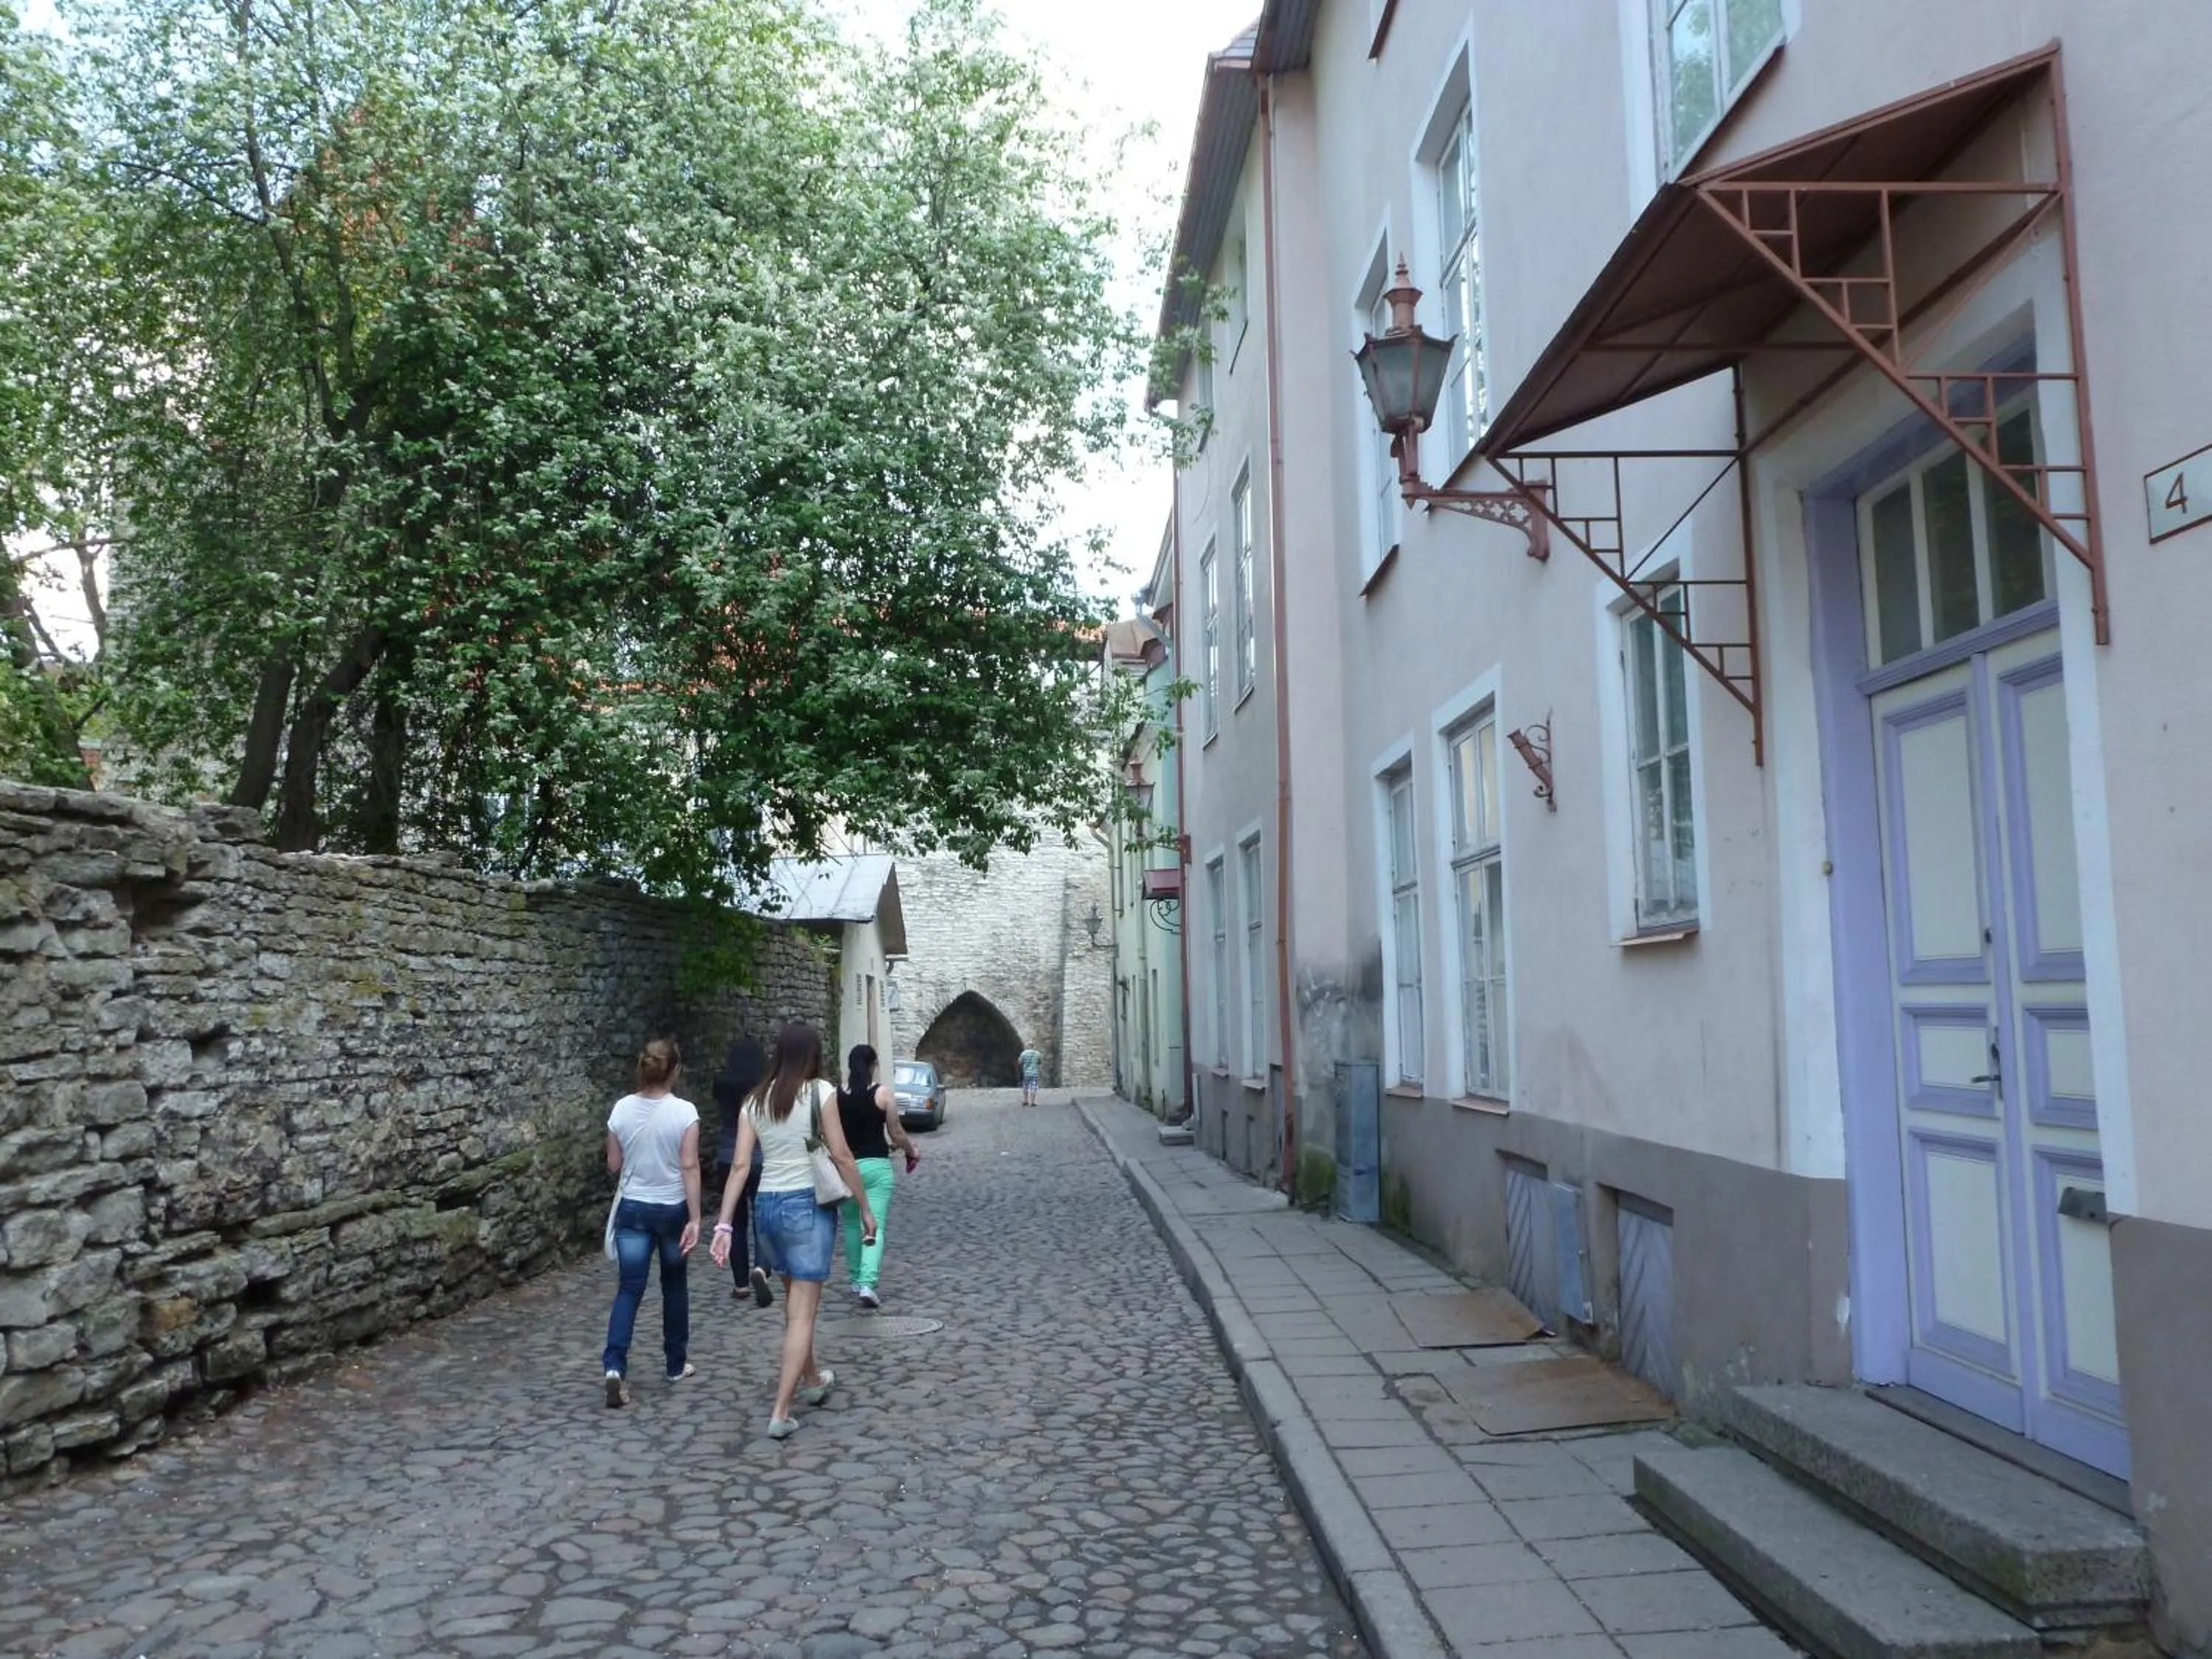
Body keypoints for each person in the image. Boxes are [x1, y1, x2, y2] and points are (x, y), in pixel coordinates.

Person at [712, 1021, 876, 1439]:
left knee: (794, 1305)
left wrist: (726, 1221)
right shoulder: (820, 1093)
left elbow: (741, 1166)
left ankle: (814, 1380)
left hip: (767, 1207)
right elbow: (840, 1154)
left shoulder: (755, 1100)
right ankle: (781, 1411)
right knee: (803, 1314)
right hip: (807, 1205)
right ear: (813, 1055)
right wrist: (865, 1208)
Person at [602, 1037, 700, 1408]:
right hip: (672, 1208)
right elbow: (689, 1166)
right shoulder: (686, 1113)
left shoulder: (621, 1110)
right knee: (674, 1286)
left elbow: (614, 1164)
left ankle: (614, 1365)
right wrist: (695, 1217)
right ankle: (675, 1364)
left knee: (629, 1288)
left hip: (633, 1210)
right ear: (675, 1070)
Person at [837, 1045, 919, 1309]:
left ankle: (854, 1277)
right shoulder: (882, 1094)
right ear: (873, 1065)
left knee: (851, 1224)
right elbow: (895, 1133)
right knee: (875, 1224)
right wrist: (911, 1149)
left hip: (847, 1168)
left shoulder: (837, 1095)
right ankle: (868, 1283)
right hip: (876, 1167)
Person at [710, 1036, 772, 1306]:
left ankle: (741, 1283)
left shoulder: (721, 1084)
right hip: (761, 1158)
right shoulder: (766, 1088)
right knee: (763, 1218)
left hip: (728, 1156)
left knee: (735, 1221)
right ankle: (761, 1268)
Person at [1018, 1043, 1043, 1107]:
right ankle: (1032, 1102)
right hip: (1034, 1073)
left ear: (1027, 1047)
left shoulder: (1024, 1053)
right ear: (1033, 1047)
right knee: (1033, 1088)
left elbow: (1020, 1062)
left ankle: (1026, 1101)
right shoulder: (1037, 1053)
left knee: (1025, 1087)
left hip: (1026, 1073)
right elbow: (1040, 1062)